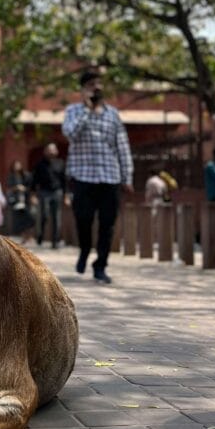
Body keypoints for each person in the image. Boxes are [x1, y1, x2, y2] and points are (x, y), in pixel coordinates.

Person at [62, 69, 133, 284]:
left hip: (110, 177)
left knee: (107, 224)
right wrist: (87, 109)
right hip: (82, 177)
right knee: (83, 219)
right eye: (92, 84)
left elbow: (122, 147)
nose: (97, 88)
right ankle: (84, 250)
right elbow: (70, 133)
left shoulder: (112, 114)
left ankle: (100, 265)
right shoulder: (73, 111)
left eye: (99, 84)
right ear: (83, 89)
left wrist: (127, 177)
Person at [31, 142, 66, 248]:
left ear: (56, 151)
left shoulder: (61, 163)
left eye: (53, 150)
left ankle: (55, 242)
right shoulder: (39, 164)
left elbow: (64, 180)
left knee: (56, 217)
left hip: (57, 192)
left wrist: (66, 195)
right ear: (45, 152)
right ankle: (40, 236)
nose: (51, 152)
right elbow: (34, 180)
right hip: (44, 192)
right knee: (44, 215)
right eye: (49, 150)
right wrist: (32, 195)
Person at [6, 159, 35, 239]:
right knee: (20, 220)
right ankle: (24, 236)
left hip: (26, 199)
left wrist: (25, 189)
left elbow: (31, 187)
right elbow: (8, 189)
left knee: (29, 218)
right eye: (15, 165)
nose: (17, 167)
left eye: (18, 165)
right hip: (16, 201)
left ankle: (29, 235)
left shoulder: (25, 176)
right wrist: (16, 188)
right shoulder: (11, 177)